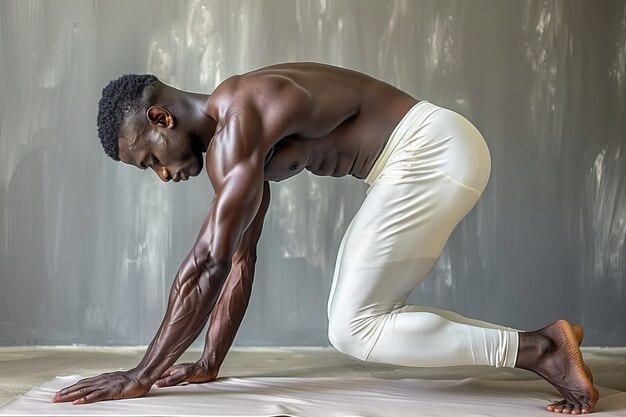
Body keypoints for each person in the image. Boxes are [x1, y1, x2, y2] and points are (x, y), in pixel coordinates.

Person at [53, 62, 598, 414]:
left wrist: (139, 376)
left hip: (430, 152)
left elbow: (206, 266)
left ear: (161, 117)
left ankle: (542, 349)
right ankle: (547, 341)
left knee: (353, 326)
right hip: (430, 154)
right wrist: (207, 363)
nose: (163, 176)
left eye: (151, 160)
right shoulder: (234, 146)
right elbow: (240, 258)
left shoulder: (241, 117)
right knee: (369, 315)